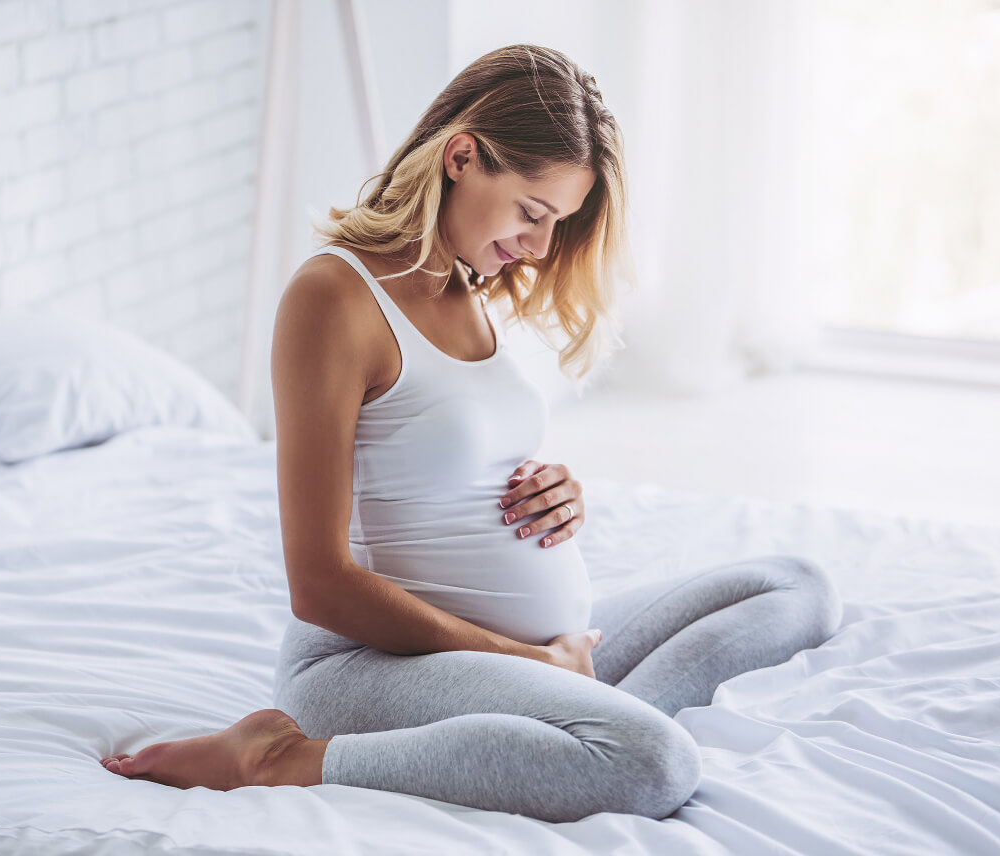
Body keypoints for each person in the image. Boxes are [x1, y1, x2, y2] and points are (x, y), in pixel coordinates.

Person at [101, 44, 843, 823]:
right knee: (651, 763)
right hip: (369, 667)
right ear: (462, 156)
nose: (541, 247)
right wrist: (528, 662)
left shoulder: (467, 283)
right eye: (532, 212)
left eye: (556, 224)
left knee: (796, 587)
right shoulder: (334, 298)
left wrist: (558, 494)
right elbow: (317, 584)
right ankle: (284, 758)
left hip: (524, 655)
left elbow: (446, 461)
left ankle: (560, 718)